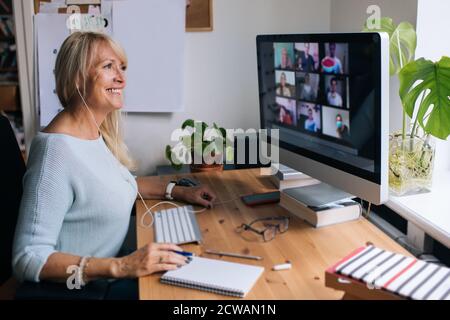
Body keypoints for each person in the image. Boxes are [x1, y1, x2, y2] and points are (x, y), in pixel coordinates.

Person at [12, 32, 217, 299]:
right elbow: (27, 258)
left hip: (106, 278)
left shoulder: (93, 134)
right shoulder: (55, 152)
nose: (121, 78)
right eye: (108, 66)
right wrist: (121, 266)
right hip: (79, 290)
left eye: (122, 68)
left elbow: (111, 187)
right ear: (77, 77)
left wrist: (177, 191)